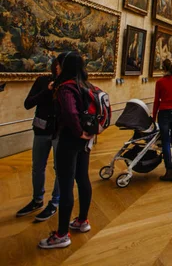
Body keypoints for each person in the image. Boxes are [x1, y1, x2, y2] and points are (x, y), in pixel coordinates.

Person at [39, 52, 94, 249]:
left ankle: (62, 234)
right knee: (83, 178)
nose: (57, 68)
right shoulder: (87, 85)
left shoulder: (66, 87)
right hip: (85, 141)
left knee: (66, 184)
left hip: (70, 140)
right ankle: (82, 221)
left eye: (59, 64)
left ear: (66, 66)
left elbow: (70, 112)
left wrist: (78, 132)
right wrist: (88, 134)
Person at [18, 57, 61, 221]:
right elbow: (28, 103)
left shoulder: (69, 85)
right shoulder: (42, 81)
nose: (59, 69)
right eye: (58, 66)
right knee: (37, 167)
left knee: (59, 169)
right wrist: (47, 91)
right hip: (42, 130)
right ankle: (37, 200)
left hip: (59, 132)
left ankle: (55, 202)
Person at [153, 59, 172, 182]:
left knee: (166, 142)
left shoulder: (160, 82)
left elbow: (156, 101)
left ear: (163, 68)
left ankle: (168, 171)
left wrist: (153, 116)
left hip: (164, 113)